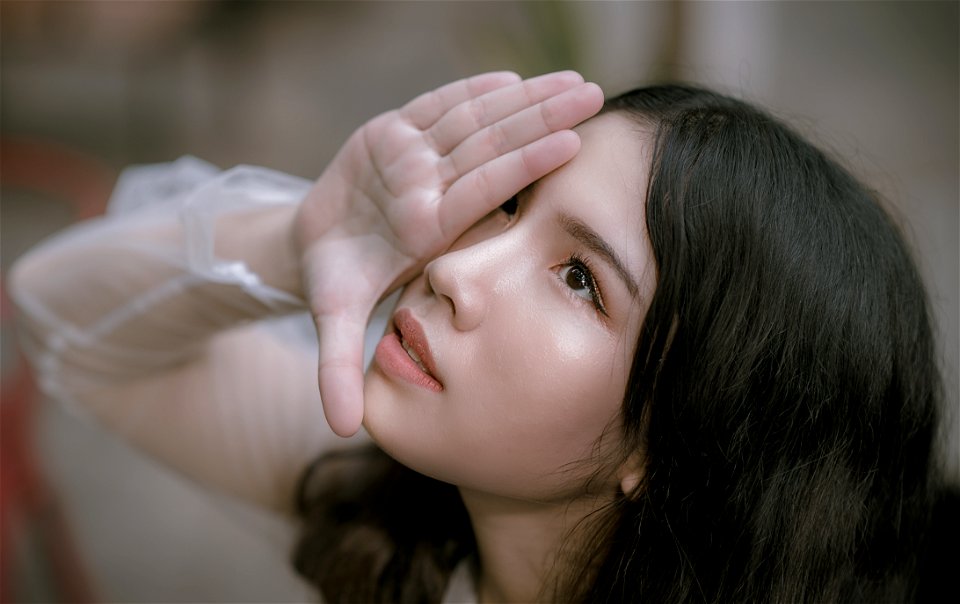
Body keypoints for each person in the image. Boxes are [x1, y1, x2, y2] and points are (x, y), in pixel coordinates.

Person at [9, 70, 949, 603]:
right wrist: (296, 242)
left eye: (580, 281)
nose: (454, 271)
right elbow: (61, 323)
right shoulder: (402, 520)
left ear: (681, 439)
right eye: (506, 206)